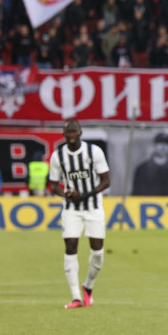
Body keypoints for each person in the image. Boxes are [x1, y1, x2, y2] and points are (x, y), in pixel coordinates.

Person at [47, 120, 110, 310]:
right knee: (71, 246)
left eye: (74, 132)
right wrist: (65, 193)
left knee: (97, 252)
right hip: (71, 209)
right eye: (68, 133)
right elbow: (54, 185)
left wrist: (84, 195)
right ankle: (75, 297)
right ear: (64, 134)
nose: (71, 135)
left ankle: (88, 286)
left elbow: (106, 181)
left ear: (81, 132)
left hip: (93, 207)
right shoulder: (58, 156)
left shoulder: (94, 152)